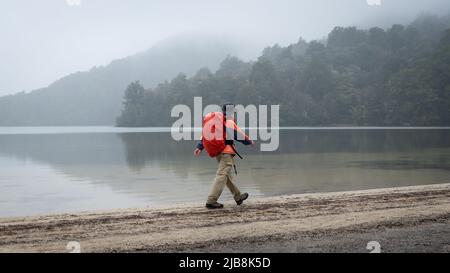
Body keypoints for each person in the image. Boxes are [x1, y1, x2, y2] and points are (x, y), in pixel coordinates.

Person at [194, 102, 254, 209]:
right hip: (226, 152)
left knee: (226, 176)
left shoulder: (216, 122)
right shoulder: (228, 121)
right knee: (222, 175)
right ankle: (211, 200)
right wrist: (249, 142)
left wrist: (199, 147)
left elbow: (205, 135)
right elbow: (237, 135)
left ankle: (238, 196)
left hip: (218, 152)